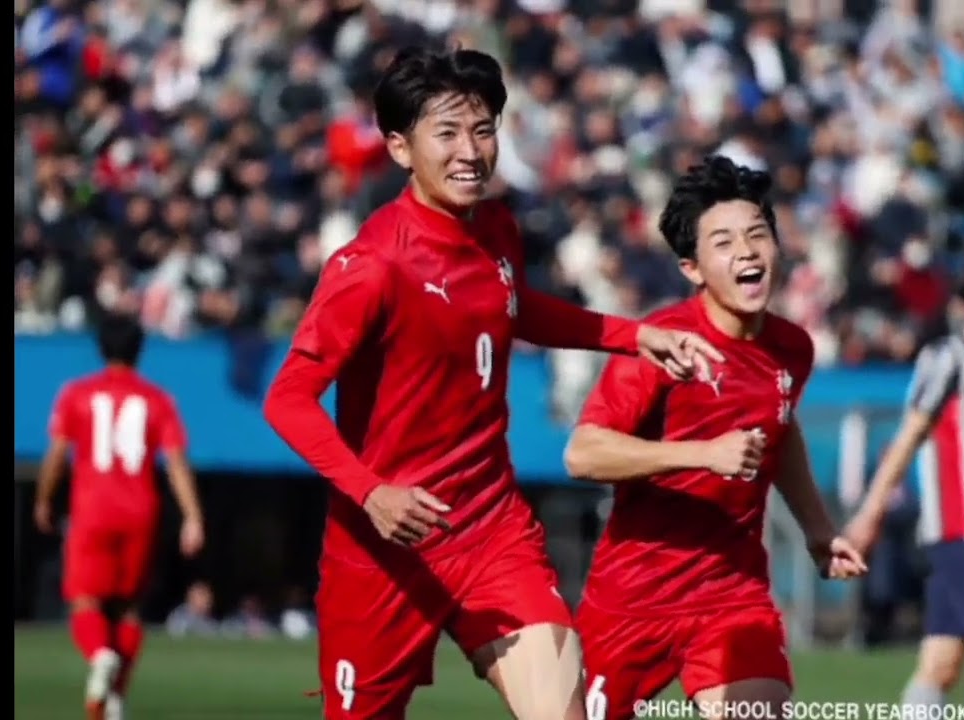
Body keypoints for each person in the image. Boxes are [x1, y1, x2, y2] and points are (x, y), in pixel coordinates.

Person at [262, 46, 722, 720]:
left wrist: (636, 335)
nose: (470, 151)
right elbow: (288, 398)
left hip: (488, 528)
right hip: (385, 547)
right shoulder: (371, 264)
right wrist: (372, 493)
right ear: (399, 148)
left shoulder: (498, 229)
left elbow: (512, 308)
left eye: (483, 130)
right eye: (446, 133)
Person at [562, 155, 868, 720]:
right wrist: (703, 456)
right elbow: (582, 453)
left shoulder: (792, 348)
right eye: (724, 242)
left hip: (733, 592)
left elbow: (782, 428)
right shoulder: (664, 344)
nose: (747, 251)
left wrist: (819, 531)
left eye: (757, 235)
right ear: (692, 268)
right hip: (632, 597)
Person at [34, 313, 206, 720]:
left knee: (85, 601)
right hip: (140, 511)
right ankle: (114, 702)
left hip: (93, 511)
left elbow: (57, 456)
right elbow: (176, 462)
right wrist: (193, 516)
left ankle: (100, 656)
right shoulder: (157, 399)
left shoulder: (77, 394)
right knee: (129, 608)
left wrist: (43, 499)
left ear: (100, 348)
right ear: (140, 350)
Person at [843, 262, 964, 713]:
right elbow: (908, 438)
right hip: (961, 533)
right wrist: (870, 513)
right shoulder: (948, 358)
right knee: (942, 659)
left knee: (943, 659)